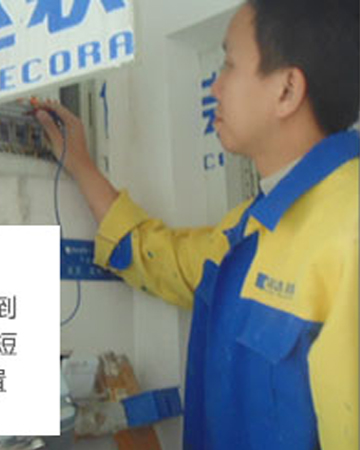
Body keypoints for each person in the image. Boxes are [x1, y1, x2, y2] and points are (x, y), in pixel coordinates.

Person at [33, 0, 359, 449]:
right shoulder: (249, 229)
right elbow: (160, 256)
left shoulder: (349, 229)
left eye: (229, 64)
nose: (215, 87)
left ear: (287, 90)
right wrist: (81, 165)